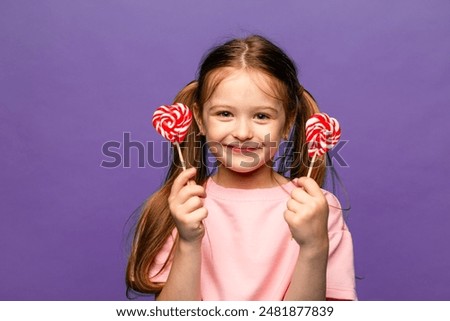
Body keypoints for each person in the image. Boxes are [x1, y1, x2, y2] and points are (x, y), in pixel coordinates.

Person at [126, 35, 357, 301]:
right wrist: (188, 242)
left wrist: (314, 247)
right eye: (225, 114)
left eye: (261, 116)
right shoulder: (177, 209)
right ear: (200, 120)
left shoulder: (319, 211)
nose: (243, 132)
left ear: (287, 123)